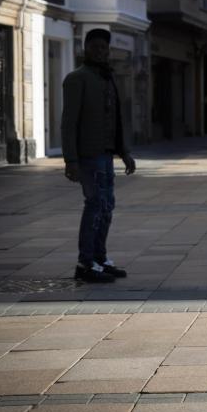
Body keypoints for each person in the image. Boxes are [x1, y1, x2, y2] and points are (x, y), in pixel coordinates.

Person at [61, 28, 135, 283]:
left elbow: (116, 120)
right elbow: (68, 122)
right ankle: (85, 263)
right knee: (94, 206)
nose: (101, 52)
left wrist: (124, 152)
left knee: (106, 207)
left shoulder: (107, 78)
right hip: (88, 156)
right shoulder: (76, 79)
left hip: (106, 155)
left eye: (104, 48)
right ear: (86, 49)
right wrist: (70, 160)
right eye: (95, 48)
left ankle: (100, 259)